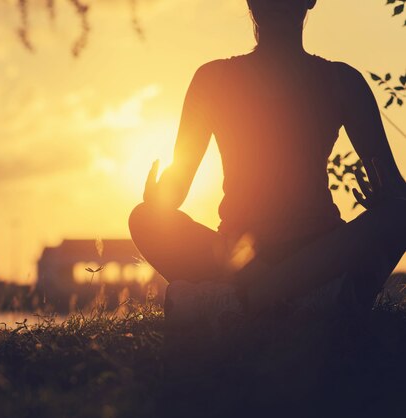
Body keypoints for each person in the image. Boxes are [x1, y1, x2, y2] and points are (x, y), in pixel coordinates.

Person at [129, 0, 406, 317]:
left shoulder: (342, 81)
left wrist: (387, 202)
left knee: (401, 213)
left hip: (321, 252)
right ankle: (299, 298)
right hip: (242, 254)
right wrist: (158, 199)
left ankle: (244, 301)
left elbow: (395, 189)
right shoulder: (212, 79)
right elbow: (174, 192)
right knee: (144, 218)